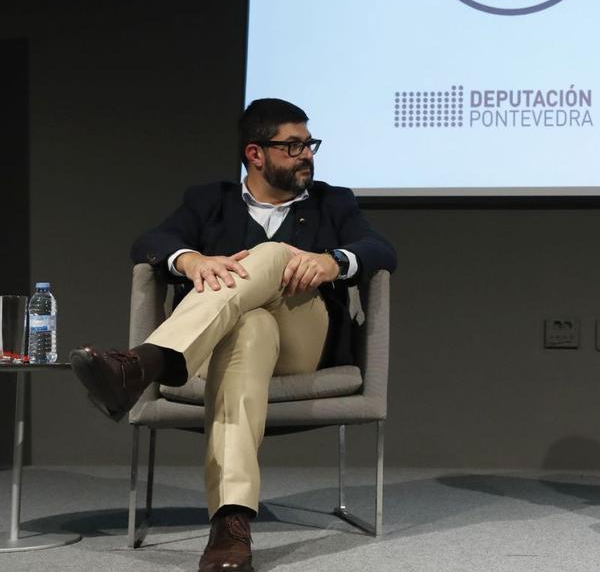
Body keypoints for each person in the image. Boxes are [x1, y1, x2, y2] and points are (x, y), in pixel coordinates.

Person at [70, 98, 396, 572]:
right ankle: (231, 526)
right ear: (255, 153)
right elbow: (151, 243)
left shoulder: (333, 201)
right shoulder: (208, 200)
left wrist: (333, 261)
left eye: (309, 144)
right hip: (218, 349)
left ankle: (143, 364)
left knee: (271, 254)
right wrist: (192, 260)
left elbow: (379, 248)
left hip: (303, 341)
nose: (307, 154)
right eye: (293, 145)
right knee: (249, 325)